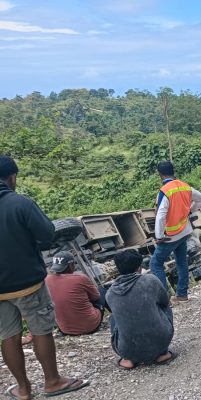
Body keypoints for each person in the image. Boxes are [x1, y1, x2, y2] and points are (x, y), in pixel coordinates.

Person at [0, 156, 90, 399]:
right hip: (27, 282)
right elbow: (48, 235)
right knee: (41, 330)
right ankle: (52, 381)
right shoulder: (21, 203)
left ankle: (23, 389)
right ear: (12, 177)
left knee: (8, 335)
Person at [107, 249, 176, 370]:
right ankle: (162, 354)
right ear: (139, 267)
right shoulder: (150, 280)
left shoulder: (110, 293)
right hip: (160, 343)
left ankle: (128, 359)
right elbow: (164, 301)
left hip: (126, 349)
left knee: (114, 317)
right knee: (163, 305)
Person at [150, 160, 201, 303]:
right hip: (185, 230)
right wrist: (189, 210)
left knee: (155, 263)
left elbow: (161, 215)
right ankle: (182, 294)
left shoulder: (164, 191)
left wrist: (159, 236)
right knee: (181, 261)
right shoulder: (185, 186)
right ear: (173, 171)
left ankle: (165, 299)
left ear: (160, 174)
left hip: (171, 236)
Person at [45, 251, 107, 336]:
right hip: (91, 327)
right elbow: (96, 297)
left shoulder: (46, 280)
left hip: (65, 329)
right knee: (102, 290)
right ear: (71, 265)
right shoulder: (80, 278)